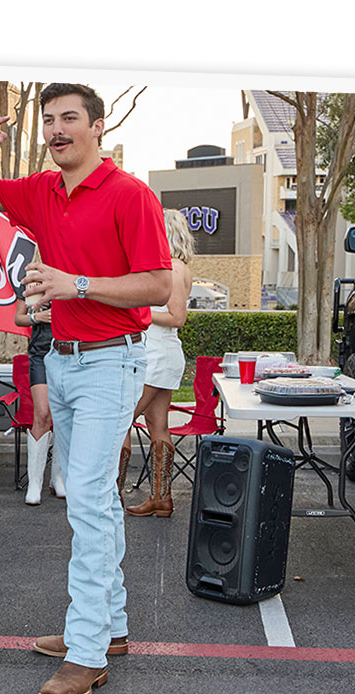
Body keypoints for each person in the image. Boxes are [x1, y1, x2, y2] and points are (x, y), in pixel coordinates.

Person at [0, 84, 171, 694]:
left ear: (98, 127)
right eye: (49, 120)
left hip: (113, 364)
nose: (56, 130)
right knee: (97, 501)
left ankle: (86, 651)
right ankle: (111, 628)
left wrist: (76, 284)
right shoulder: (43, 189)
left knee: (84, 500)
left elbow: (158, 286)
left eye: (69, 119)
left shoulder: (130, 195)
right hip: (67, 359)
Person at [123, 209, 194, 517]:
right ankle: (160, 498)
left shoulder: (173, 270)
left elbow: (177, 317)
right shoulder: (179, 268)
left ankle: (110, 494)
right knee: (158, 425)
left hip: (156, 355)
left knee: (121, 419)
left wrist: (137, 313)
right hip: (164, 355)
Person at [14, 297, 66, 505]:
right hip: (41, 353)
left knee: (64, 417)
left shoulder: (72, 274)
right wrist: (37, 317)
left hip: (68, 351)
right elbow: (19, 318)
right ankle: (35, 483)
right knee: (42, 413)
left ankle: (58, 479)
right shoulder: (31, 279)